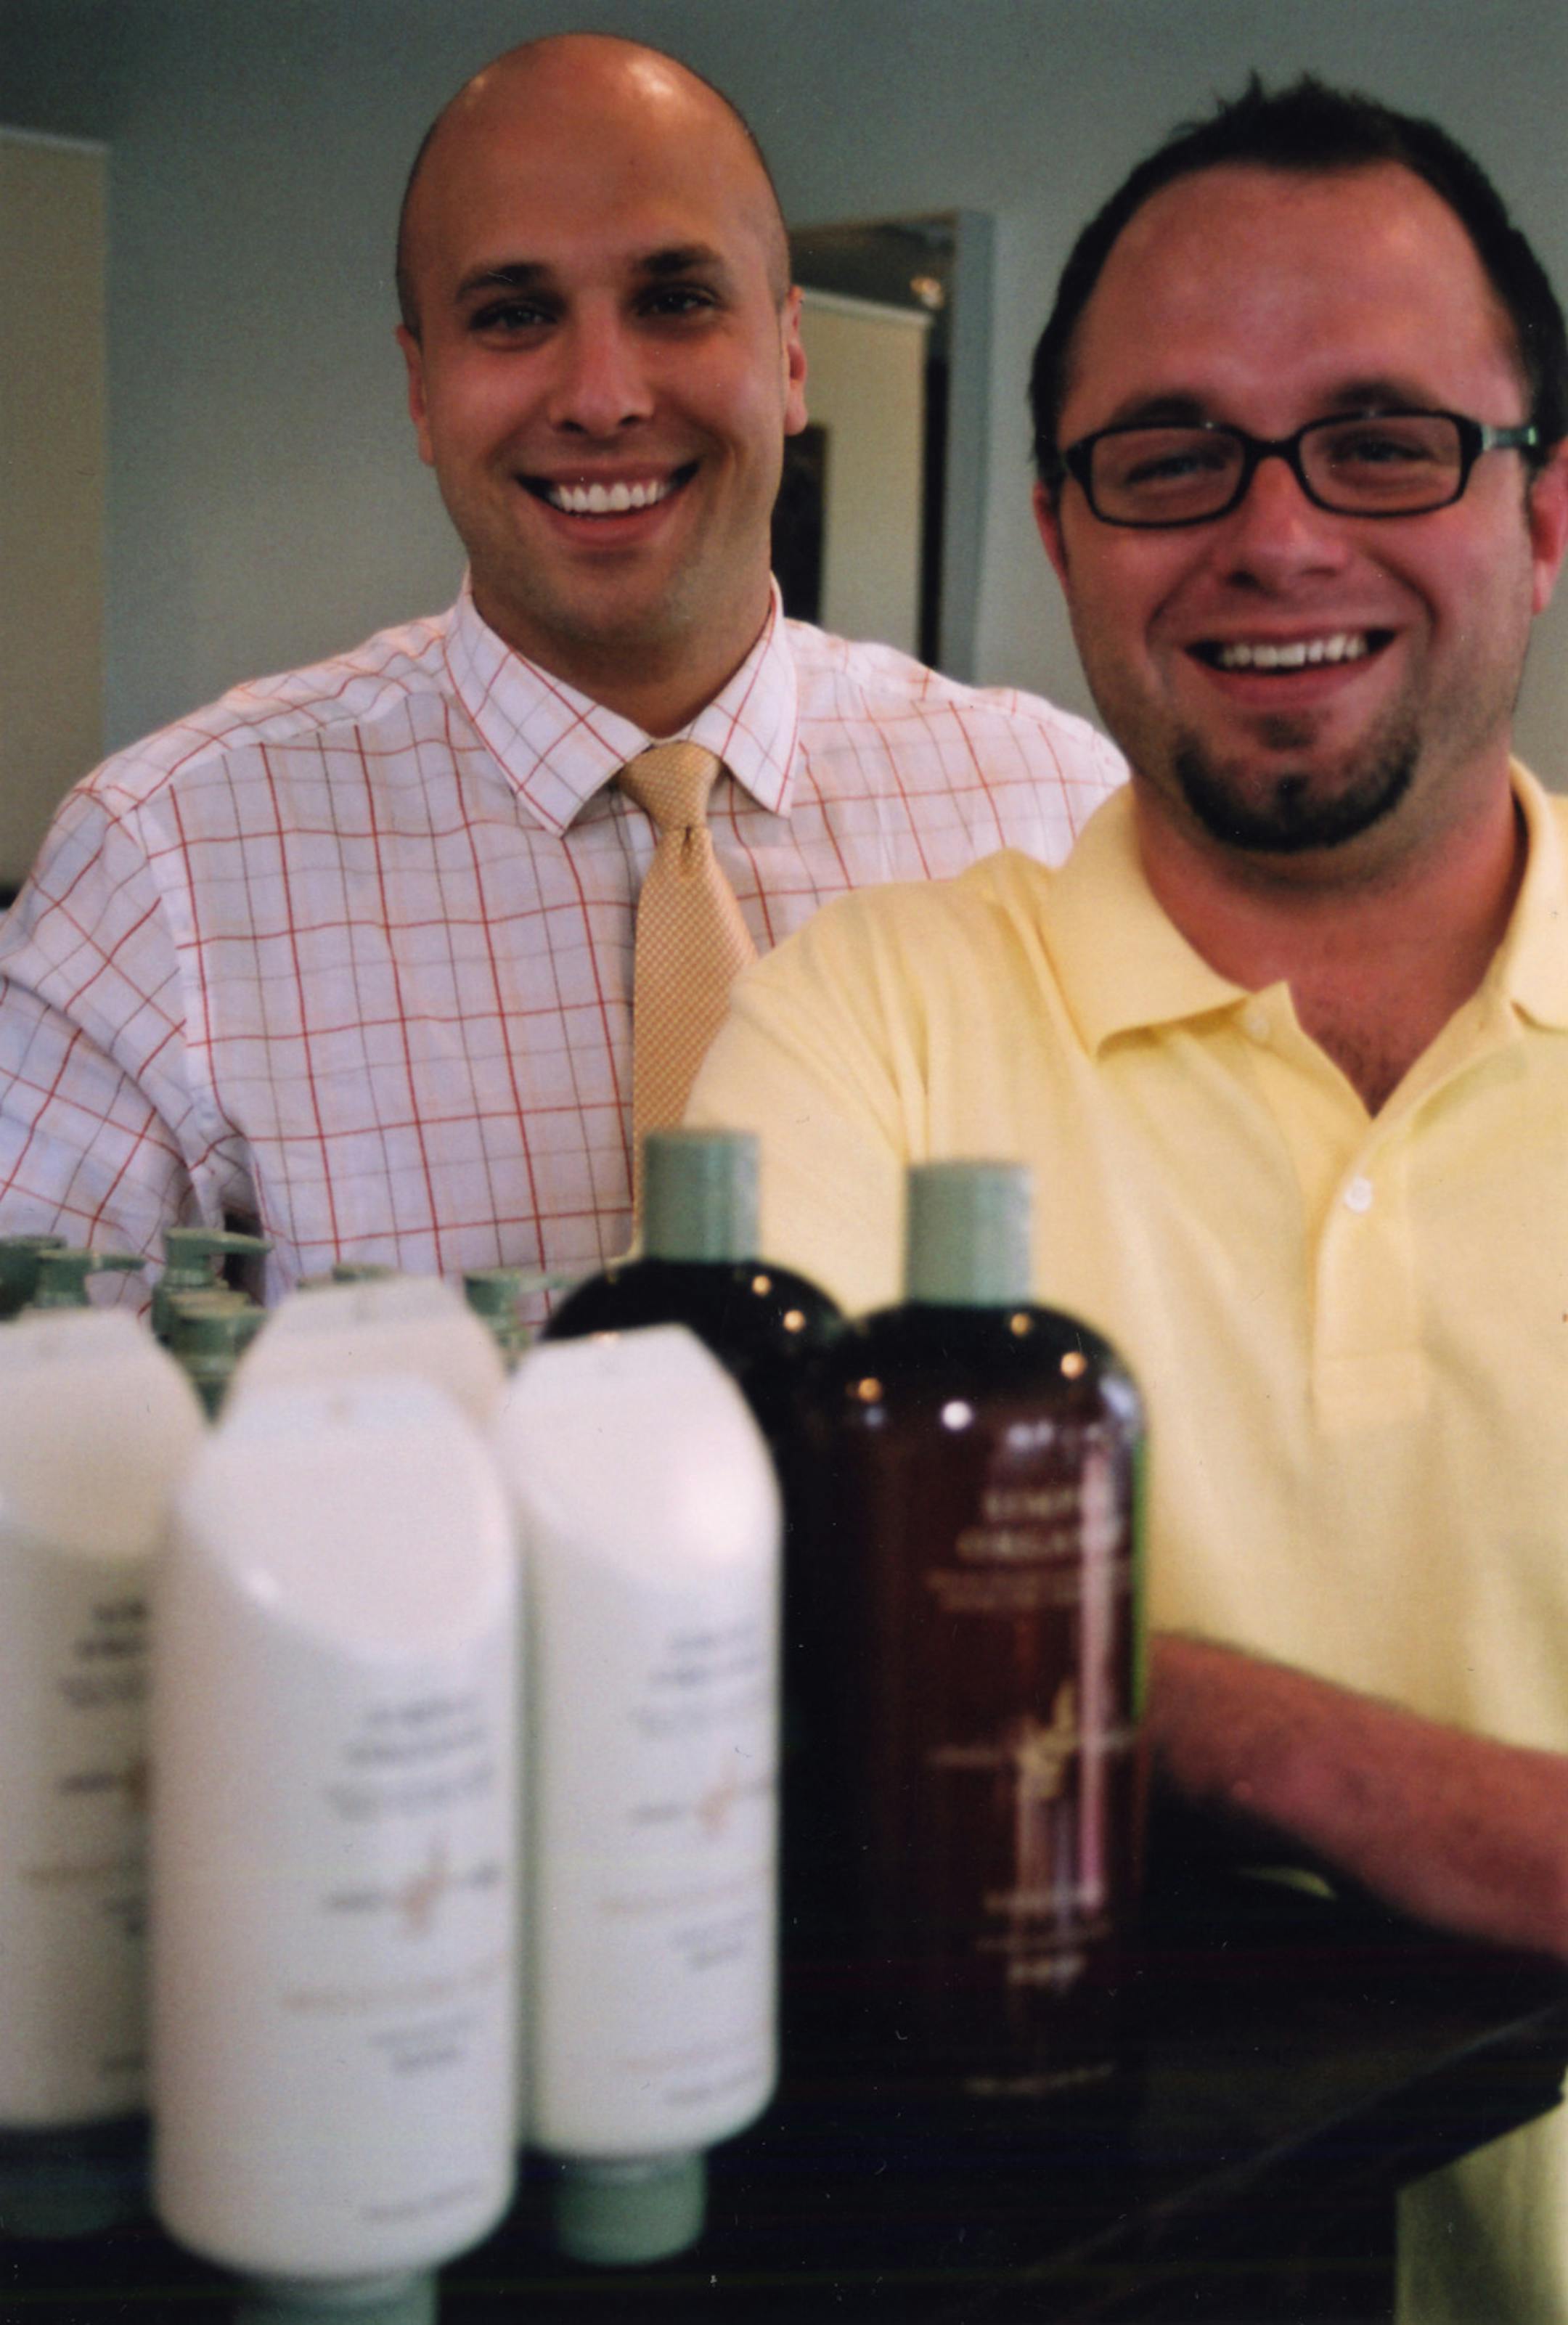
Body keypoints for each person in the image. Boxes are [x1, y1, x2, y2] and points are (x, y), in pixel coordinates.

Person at [688, 78, 1568, 2323]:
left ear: (1548, 507)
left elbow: (929, 1661)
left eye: (1384, 442)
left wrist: (1101, 1681)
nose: (1277, 534)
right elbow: (746, 1646)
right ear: (1063, 532)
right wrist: (1325, 1758)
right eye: (1172, 456)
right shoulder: (862, 1022)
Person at [0, 33, 1121, 1296]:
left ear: (791, 355)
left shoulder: (1055, 811)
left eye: (675, 300)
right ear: (422, 393)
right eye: (516, 316)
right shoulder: (164, 875)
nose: (602, 396)